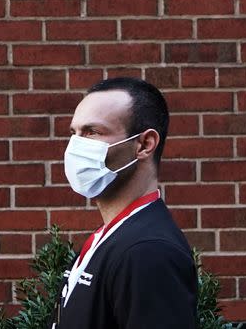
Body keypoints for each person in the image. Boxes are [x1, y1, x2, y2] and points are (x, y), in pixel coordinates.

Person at [51, 76, 197, 329]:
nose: (76, 146)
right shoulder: (113, 236)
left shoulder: (149, 252)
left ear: (144, 144)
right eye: (74, 133)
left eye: (93, 132)